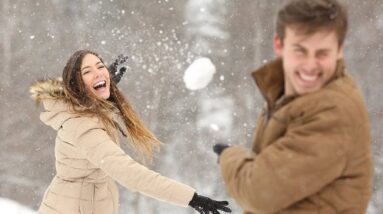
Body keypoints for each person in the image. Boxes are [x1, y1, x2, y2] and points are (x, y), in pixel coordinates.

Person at [213, 0, 373, 213]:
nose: (310, 65)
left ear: (339, 50)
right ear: (279, 44)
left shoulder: (334, 111)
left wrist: (229, 157)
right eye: (300, 50)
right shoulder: (287, 95)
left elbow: (259, 192)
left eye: (322, 53)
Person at [30, 49, 232, 214]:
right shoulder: (85, 128)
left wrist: (97, 91)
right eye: (87, 71)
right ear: (76, 84)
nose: (99, 72)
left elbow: (80, 100)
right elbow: (129, 173)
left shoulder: (83, 110)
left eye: (100, 67)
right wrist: (191, 197)